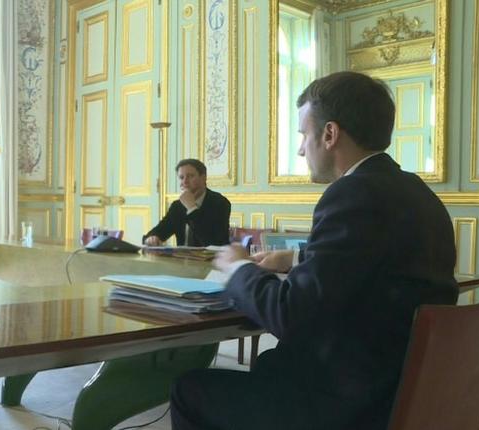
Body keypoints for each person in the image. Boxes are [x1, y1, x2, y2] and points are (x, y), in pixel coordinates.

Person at [170, 72, 457, 430]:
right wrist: (297, 258)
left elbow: (290, 316)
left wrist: (238, 269)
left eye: (304, 134)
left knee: (189, 390)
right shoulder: (418, 193)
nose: (301, 149)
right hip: (399, 388)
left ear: (330, 134)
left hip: (346, 404)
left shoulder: (352, 194)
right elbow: (374, 262)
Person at [143, 159, 231, 247]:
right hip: (182, 259)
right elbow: (158, 231)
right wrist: (151, 238)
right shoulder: (177, 206)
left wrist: (191, 208)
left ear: (203, 177)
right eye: (181, 177)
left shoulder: (220, 203)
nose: (185, 181)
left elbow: (211, 242)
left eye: (190, 176)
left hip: (211, 259)